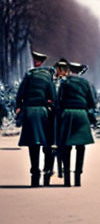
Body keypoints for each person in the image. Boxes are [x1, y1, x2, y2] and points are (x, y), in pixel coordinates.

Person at [14, 51, 57, 186]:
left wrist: (20, 107)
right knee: (47, 143)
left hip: (29, 112)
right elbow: (53, 97)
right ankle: (47, 170)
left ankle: (34, 173)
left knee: (33, 145)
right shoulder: (48, 78)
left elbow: (19, 95)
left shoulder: (29, 75)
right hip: (43, 112)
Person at [55, 62, 97, 187]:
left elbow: (59, 101)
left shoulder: (64, 82)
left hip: (67, 114)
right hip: (81, 115)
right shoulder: (86, 83)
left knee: (66, 147)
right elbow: (92, 102)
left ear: (69, 70)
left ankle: (67, 178)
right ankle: (78, 177)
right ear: (80, 71)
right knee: (81, 147)